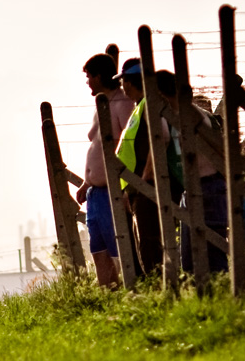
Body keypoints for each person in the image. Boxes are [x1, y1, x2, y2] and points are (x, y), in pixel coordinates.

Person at [74, 52, 136, 287]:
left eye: (89, 77)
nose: (88, 82)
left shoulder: (123, 104)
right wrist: (87, 182)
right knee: (98, 251)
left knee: (119, 250)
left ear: (99, 76)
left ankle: (128, 292)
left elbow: (130, 146)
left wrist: (127, 186)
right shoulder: (102, 102)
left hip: (114, 190)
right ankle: (107, 297)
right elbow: (98, 145)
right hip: (95, 193)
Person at [160, 72, 229, 275]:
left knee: (212, 253)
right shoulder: (176, 116)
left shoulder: (190, 115)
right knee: (190, 256)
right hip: (194, 189)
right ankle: (204, 297)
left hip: (208, 187)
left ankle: (224, 296)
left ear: (161, 95)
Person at [114, 58, 177, 276]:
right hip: (136, 185)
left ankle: (160, 286)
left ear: (128, 83)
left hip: (146, 184)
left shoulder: (149, 104)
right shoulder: (140, 106)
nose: (122, 87)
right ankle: (156, 285)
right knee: (144, 239)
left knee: (150, 241)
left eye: (123, 82)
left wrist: (148, 176)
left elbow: (161, 138)